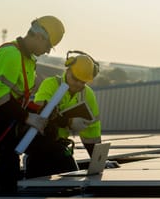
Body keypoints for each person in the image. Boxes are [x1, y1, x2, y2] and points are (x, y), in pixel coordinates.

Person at [0, 15, 65, 194]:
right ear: (40, 37)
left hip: (8, 125)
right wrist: (27, 117)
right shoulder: (10, 54)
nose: (47, 52)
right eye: (48, 46)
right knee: (0, 185)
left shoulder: (28, 60)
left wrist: (38, 111)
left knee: (44, 152)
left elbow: (18, 99)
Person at [24, 50, 102, 179]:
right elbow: (40, 113)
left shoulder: (88, 95)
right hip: (39, 146)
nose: (78, 84)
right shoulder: (50, 84)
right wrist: (68, 122)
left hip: (60, 147)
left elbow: (92, 131)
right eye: (75, 79)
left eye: (83, 82)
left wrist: (99, 161)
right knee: (35, 186)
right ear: (68, 70)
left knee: (73, 183)